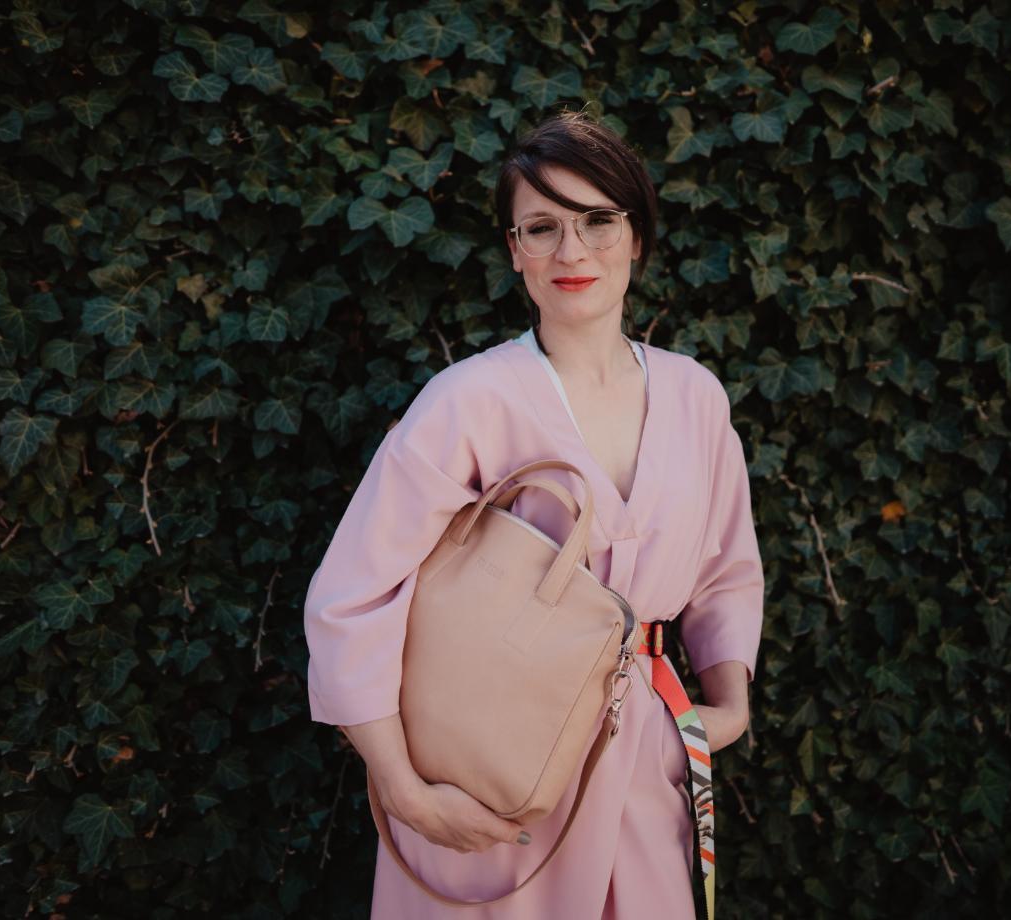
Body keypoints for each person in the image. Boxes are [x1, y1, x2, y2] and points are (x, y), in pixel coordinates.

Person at [303, 110, 765, 919]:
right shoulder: (468, 402)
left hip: (644, 761)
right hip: (485, 783)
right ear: (515, 250)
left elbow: (727, 569)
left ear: (637, 236)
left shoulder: (695, 396)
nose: (572, 252)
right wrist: (404, 790)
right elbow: (352, 594)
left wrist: (725, 709)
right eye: (542, 228)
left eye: (598, 221)